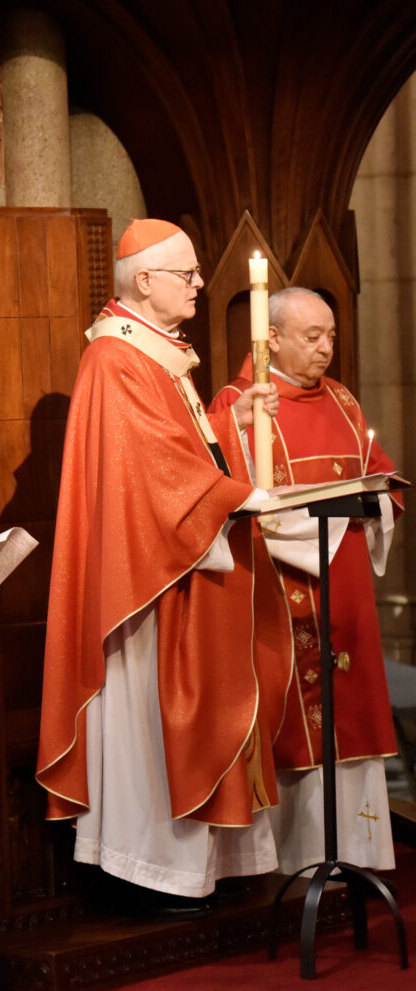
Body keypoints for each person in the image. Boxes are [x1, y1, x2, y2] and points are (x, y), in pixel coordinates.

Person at [36, 218, 293, 908]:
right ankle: (147, 868)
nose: (201, 287)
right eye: (188, 275)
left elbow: (184, 454)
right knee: (149, 722)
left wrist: (233, 432)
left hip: (182, 559)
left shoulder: (159, 353)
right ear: (145, 281)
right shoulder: (115, 359)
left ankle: (198, 864)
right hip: (147, 579)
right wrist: (235, 493)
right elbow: (149, 475)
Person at [210, 286, 403, 875]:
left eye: (331, 337)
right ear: (271, 341)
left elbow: (380, 474)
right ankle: (293, 861)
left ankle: (359, 856)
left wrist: (378, 506)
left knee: (354, 712)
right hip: (282, 587)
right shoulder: (239, 403)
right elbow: (239, 501)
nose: (325, 350)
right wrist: (317, 520)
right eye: (311, 337)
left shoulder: (343, 400)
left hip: (347, 589)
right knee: (296, 722)